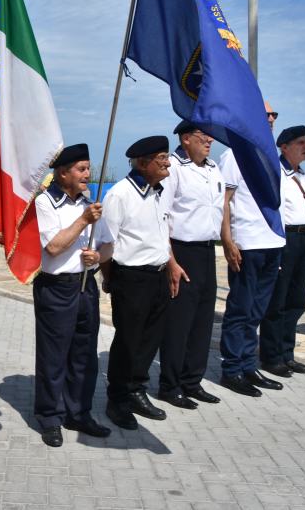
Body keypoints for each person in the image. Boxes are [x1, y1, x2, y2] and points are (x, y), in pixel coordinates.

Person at [32, 144, 111, 447]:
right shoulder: (46, 203)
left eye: (88, 169)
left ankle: (78, 412)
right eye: (81, 169)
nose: (87, 175)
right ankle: (50, 415)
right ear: (62, 172)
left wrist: (96, 256)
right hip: (57, 287)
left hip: (85, 284)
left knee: (84, 355)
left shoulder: (89, 204)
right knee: (54, 356)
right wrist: (83, 221)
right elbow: (52, 246)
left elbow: (106, 245)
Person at [98, 136, 171, 430]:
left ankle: (137, 390)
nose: (167, 163)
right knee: (128, 341)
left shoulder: (157, 193)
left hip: (158, 274)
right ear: (143, 163)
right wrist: (109, 278)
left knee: (150, 338)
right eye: (162, 158)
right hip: (131, 278)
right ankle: (117, 400)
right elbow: (106, 243)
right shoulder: (120, 195)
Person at [217, 103, 285, 397]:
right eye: (265, 114)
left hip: (272, 242)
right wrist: (228, 242)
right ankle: (232, 369)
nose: (271, 118)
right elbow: (224, 201)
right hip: (248, 244)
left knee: (257, 310)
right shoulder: (234, 154)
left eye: (274, 115)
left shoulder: (268, 153)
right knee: (240, 309)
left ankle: (248, 364)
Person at [158, 121, 224, 409]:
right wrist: (171, 261)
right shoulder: (174, 168)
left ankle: (192, 381)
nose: (210, 139)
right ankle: (170, 386)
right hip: (182, 251)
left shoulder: (212, 168)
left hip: (207, 251)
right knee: (178, 323)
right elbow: (161, 217)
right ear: (186, 139)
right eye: (202, 136)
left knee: (202, 321)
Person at [260, 125, 305, 377]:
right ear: (285, 147)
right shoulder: (277, 173)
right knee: (278, 302)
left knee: (296, 301)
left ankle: (286, 354)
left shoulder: (301, 175)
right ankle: (271, 357)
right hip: (286, 239)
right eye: (300, 142)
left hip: (304, 238)